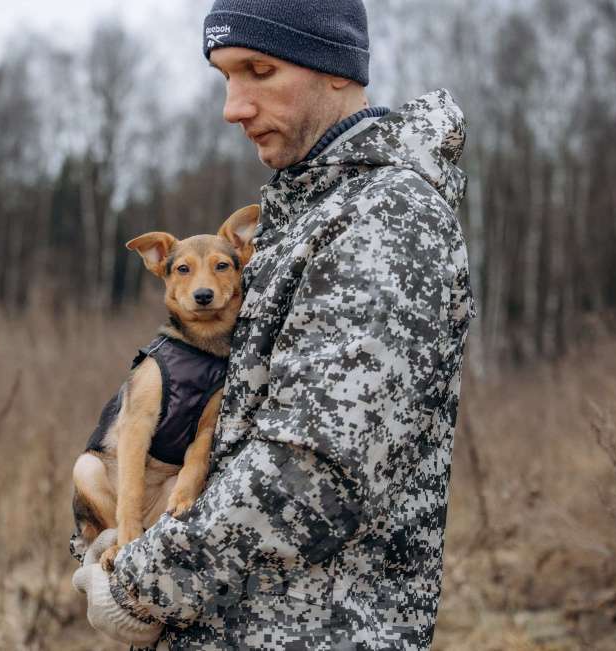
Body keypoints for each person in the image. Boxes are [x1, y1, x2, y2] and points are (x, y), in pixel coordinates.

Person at [71, 0, 476, 648]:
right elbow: (217, 425)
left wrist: (140, 582)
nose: (233, 106)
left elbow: (312, 474)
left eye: (258, 70)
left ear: (335, 66)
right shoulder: (293, 222)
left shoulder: (387, 219)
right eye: (225, 77)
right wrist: (104, 532)